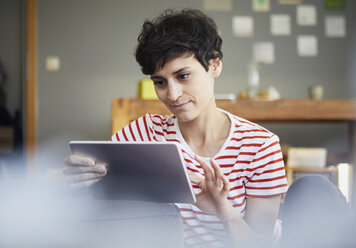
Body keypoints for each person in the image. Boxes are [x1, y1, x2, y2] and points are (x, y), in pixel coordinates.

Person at [63, 9, 287, 248]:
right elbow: (104, 206)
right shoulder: (144, 133)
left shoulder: (260, 145)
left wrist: (225, 212)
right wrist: (75, 179)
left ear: (214, 65)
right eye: (160, 82)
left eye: (183, 76)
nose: (172, 95)